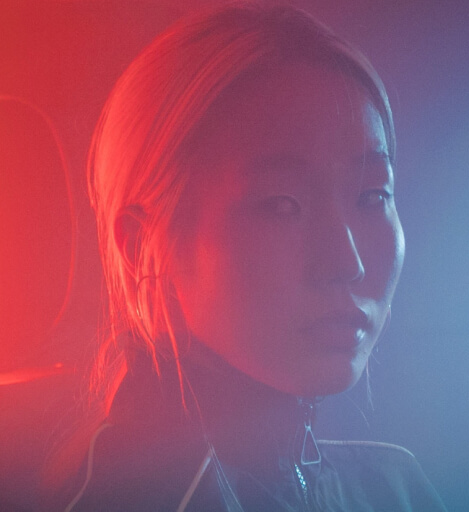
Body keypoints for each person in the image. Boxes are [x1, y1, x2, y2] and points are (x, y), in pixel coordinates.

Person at [45, 3, 447, 511]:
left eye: (372, 195)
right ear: (144, 246)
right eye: (281, 204)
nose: (347, 262)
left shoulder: (394, 487)